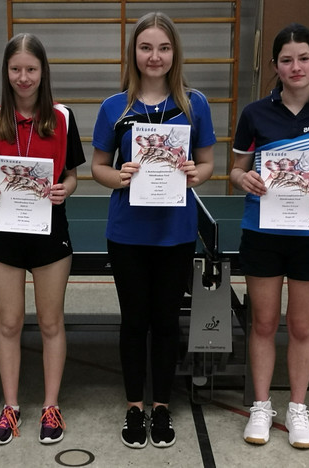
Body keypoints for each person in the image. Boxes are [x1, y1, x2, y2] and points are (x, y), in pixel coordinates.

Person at [230, 23, 309, 449]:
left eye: (304, 58)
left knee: (302, 326)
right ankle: (261, 406)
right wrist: (244, 179)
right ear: (275, 66)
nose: (296, 66)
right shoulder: (254, 114)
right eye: (286, 60)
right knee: (264, 323)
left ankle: (298, 408)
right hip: (262, 231)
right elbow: (236, 170)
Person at [91, 12, 216, 449]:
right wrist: (119, 176)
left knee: (165, 322)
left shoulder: (195, 104)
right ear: (134, 53)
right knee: (133, 322)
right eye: (146, 47)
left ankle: (161, 406)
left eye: (163, 48)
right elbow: (98, 167)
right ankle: (134, 407)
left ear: (174, 53)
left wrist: (195, 173)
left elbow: (207, 163)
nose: (155, 56)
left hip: (175, 233)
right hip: (127, 233)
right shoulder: (115, 107)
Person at [0, 33, 85, 446]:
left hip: (49, 233)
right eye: (16, 69)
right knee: (8, 323)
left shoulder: (63, 117)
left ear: (43, 71)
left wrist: (65, 189)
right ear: (6, 71)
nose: (23, 77)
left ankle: (51, 406)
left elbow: (72, 175)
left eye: (31, 69)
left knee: (51, 322)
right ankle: (11, 406)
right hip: (3, 235)